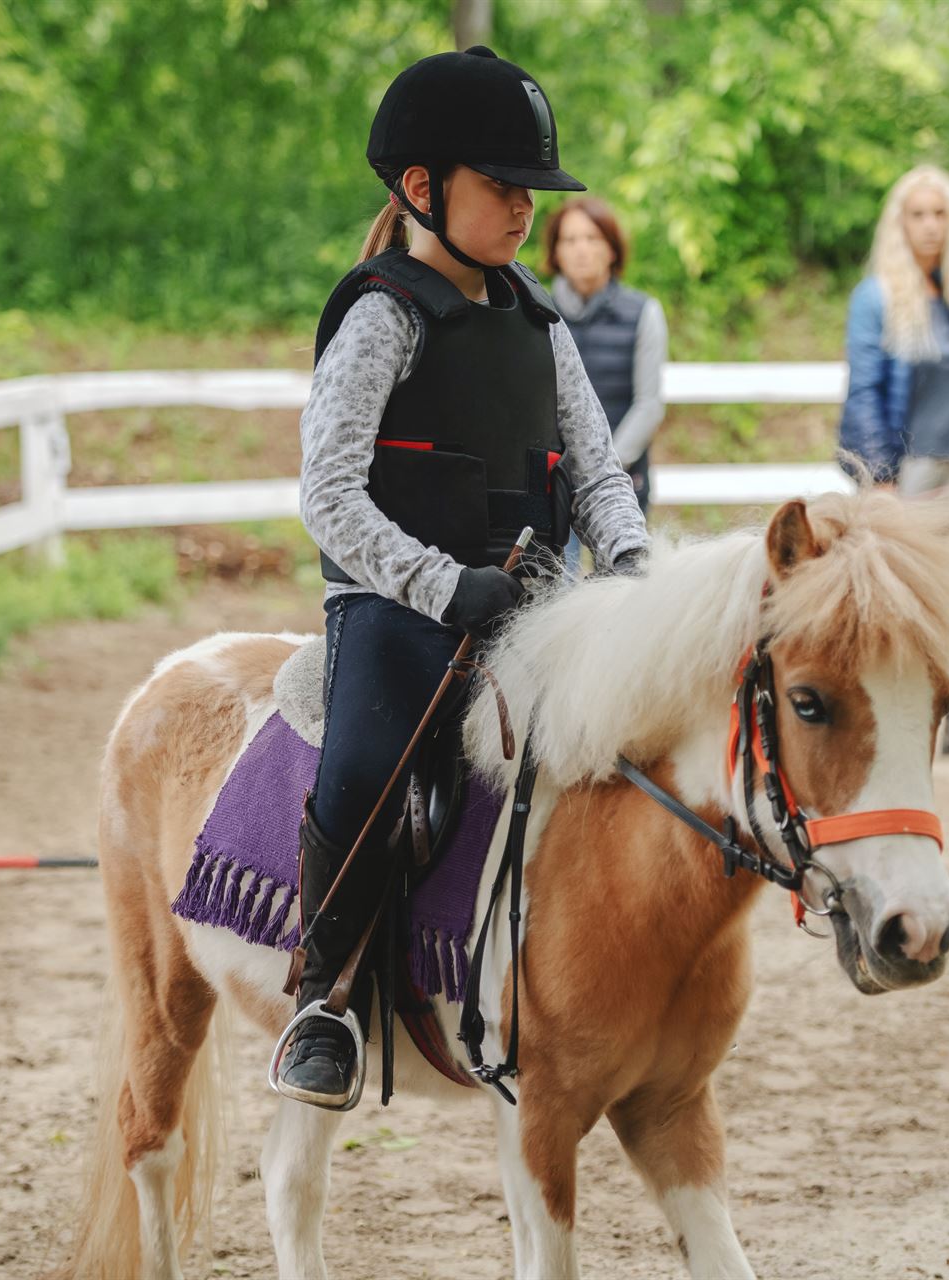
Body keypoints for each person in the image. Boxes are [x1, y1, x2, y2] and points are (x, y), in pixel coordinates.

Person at [276, 46, 651, 1109]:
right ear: (423, 189)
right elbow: (329, 495)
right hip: (397, 604)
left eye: (531, 188)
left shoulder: (539, 322)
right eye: (504, 187)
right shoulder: (381, 314)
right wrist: (442, 586)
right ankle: (325, 996)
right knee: (366, 769)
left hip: (534, 600)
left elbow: (597, 472)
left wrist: (630, 568)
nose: (527, 209)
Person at [838, 163, 949, 758]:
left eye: (940, 214)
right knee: (902, 599)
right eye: (918, 214)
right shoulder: (876, 297)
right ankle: (894, 712)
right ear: (899, 223)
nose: (930, 226)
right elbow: (863, 390)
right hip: (908, 474)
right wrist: (878, 477)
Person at [543, 197, 667, 528]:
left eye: (592, 238)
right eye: (569, 240)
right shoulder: (537, 312)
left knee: (623, 578)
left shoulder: (644, 313)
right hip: (552, 483)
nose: (581, 249)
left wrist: (603, 467)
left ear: (612, 249)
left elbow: (649, 406)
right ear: (556, 252)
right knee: (560, 580)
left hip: (623, 478)